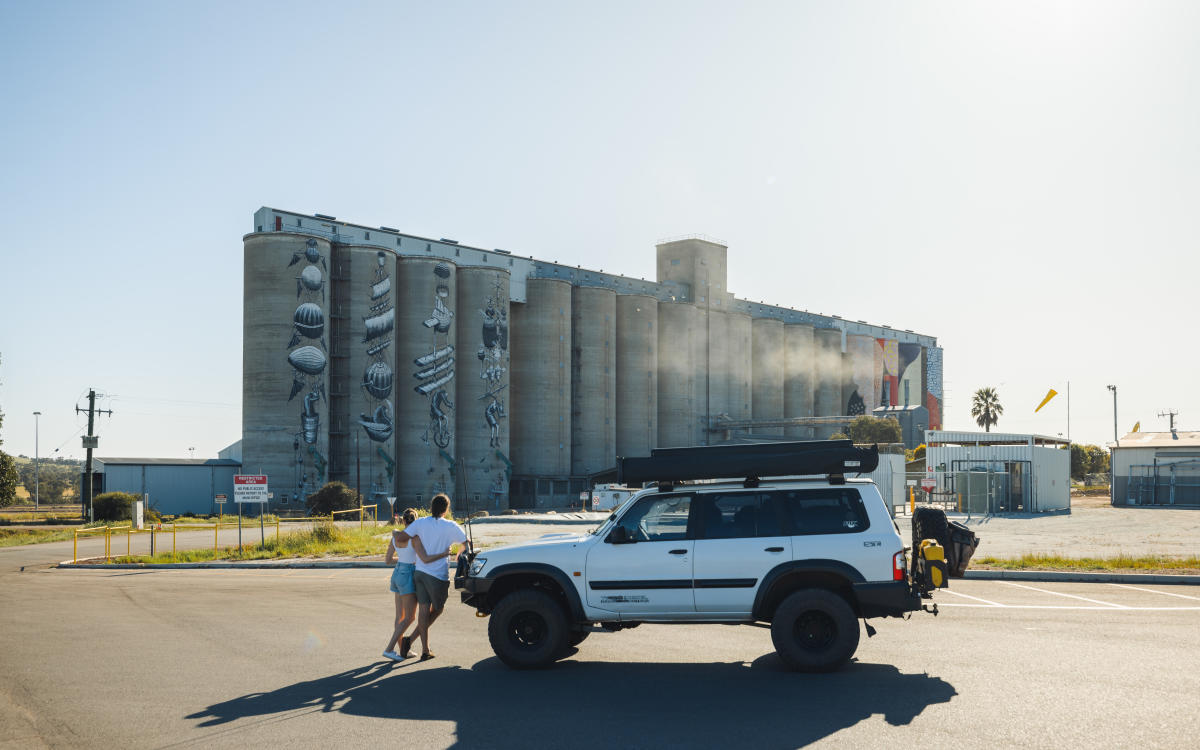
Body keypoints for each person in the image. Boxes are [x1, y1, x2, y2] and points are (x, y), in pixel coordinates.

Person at [391, 493, 468, 661]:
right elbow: (466, 543)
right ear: (446, 509)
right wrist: (458, 554)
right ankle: (412, 640)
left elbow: (402, 537)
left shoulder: (420, 522)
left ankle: (425, 650)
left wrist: (395, 532)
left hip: (419, 573)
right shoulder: (451, 525)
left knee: (423, 611)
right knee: (438, 609)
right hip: (438, 576)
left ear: (431, 507)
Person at [382, 508, 430, 662]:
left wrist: (403, 560)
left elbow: (388, 560)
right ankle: (389, 649)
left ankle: (402, 649)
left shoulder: (395, 537)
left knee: (400, 616)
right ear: (416, 522)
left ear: (403, 521)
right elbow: (424, 558)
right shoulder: (415, 538)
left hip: (397, 574)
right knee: (410, 617)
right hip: (408, 575)